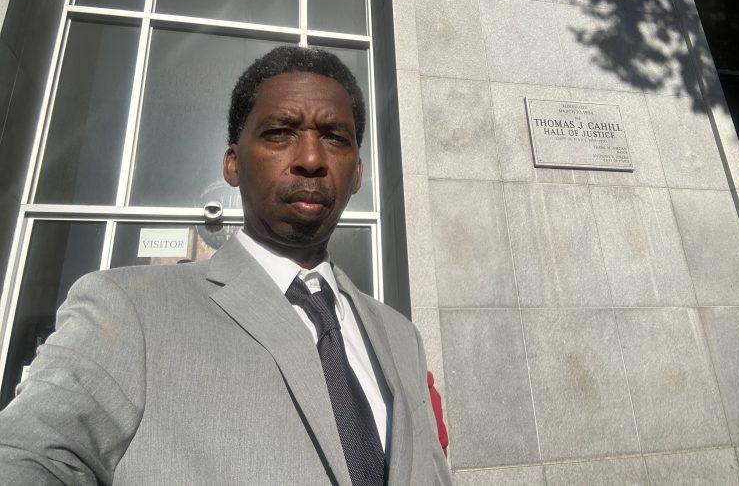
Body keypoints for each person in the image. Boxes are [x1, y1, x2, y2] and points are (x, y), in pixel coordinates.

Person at [0, 46, 451, 485]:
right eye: (280, 132)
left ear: (356, 173)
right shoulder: (129, 310)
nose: (312, 159)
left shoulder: (400, 336)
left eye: (335, 137)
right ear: (233, 164)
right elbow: (29, 457)